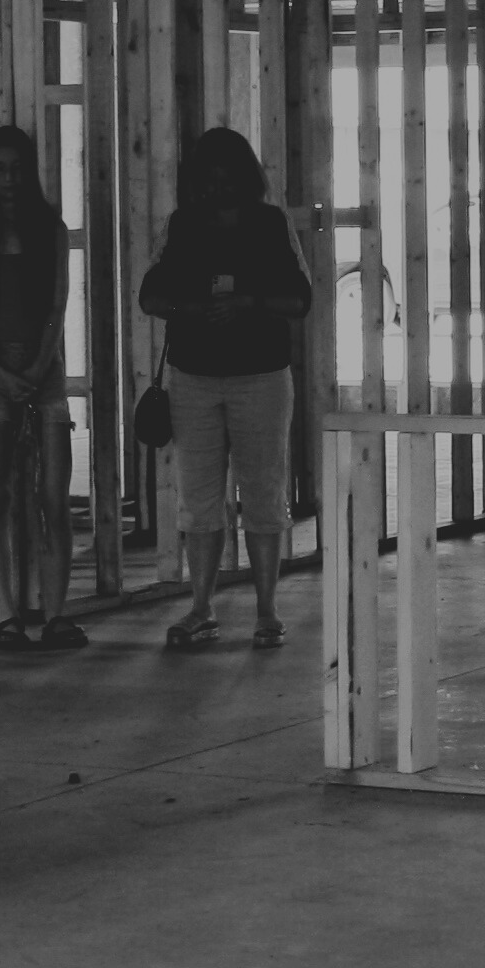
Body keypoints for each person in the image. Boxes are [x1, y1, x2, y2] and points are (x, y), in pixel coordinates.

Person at [139, 125, 313, 651]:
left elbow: (300, 301)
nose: (218, 188)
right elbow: (150, 295)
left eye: (227, 177)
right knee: (200, 499)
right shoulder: (181, 226)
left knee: (263, 494)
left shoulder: (272, 224)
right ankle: (201, 608)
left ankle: (266, 611)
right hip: (193, 378)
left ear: (246, 178)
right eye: (209, 179)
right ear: (197, 182)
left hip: (261, 377)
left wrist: (248, 304)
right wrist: (190, 308)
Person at [0, 123, 79, 650]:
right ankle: (5, 614)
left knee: (52, 497)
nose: (9, 179)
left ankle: (56, 614)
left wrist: (40, 365)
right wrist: (2, 373)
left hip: (43, 368)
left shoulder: (49, 227)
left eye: (17, 168)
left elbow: (56, 303)